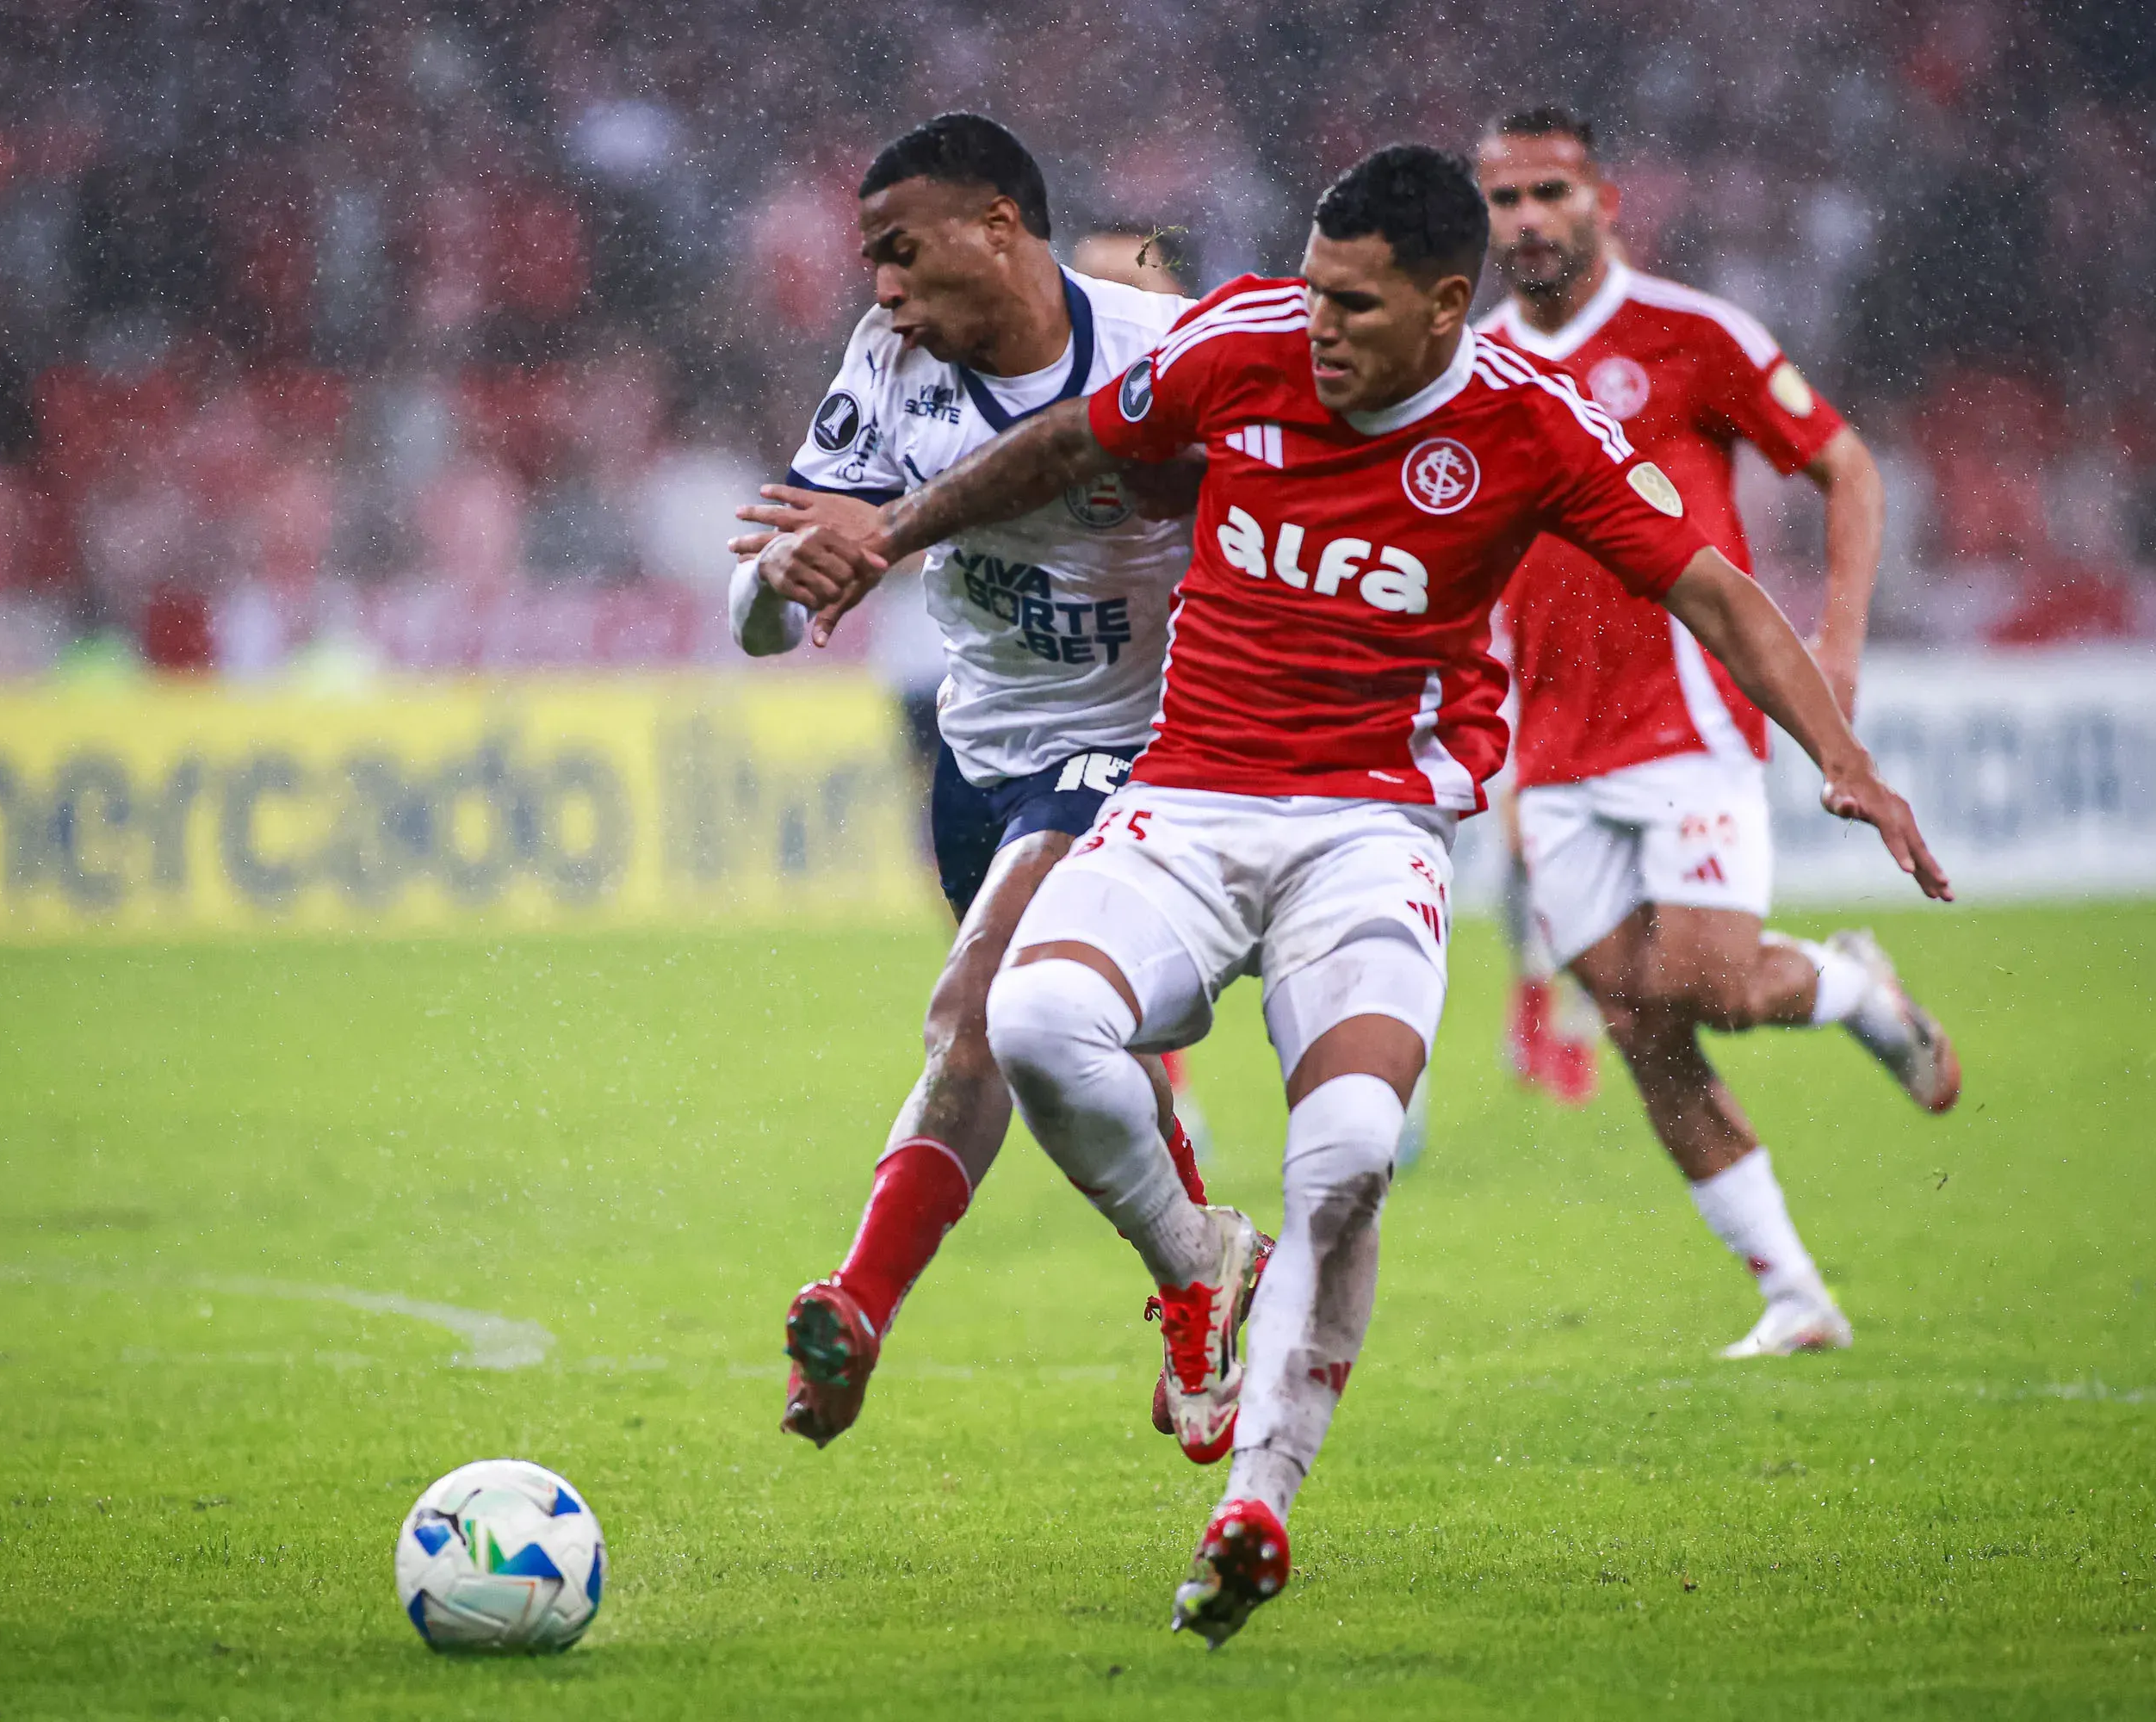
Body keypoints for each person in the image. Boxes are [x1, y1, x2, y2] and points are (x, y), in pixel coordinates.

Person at [777, 144, 1949, 1646]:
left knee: (1346, 1152)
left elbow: (1714, 590)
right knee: (1032, 1020)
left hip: (1369, 831)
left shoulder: (1533, 428)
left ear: (1449, 305)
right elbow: (1072, 444)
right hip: (1186, 802)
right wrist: (892, 531)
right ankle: (1198, 1255)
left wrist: (1845, 759)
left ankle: (1258, 1496)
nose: (1316, 326)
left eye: (1355, 304)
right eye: (1313, 290)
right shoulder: (1243, 344)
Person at [726, 114, 1246, 1453]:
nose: (881, 287)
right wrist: (772, 589)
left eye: (900, 252)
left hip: (1141, 751)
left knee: (975, 1013)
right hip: (984, 757)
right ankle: (1200, 1264)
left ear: (1000, 226)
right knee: (1051, 1048)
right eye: (870, 262)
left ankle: (858, 1305)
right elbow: (776, 597)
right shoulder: (887, 364)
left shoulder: (1162, 355)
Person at [1475, 108, 1962, 1359]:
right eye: (1504, 199)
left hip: (1690, 719)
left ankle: (1854, 987)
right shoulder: (1467, 366)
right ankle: (1795, 1293)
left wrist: (1838, 644)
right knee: (1641, 1031)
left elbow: (1846, 467)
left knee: (1703, 985)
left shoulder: (1693, 338)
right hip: (1556, 751)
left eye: (1550, 192)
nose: (1527, 219)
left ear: (1606, 201)